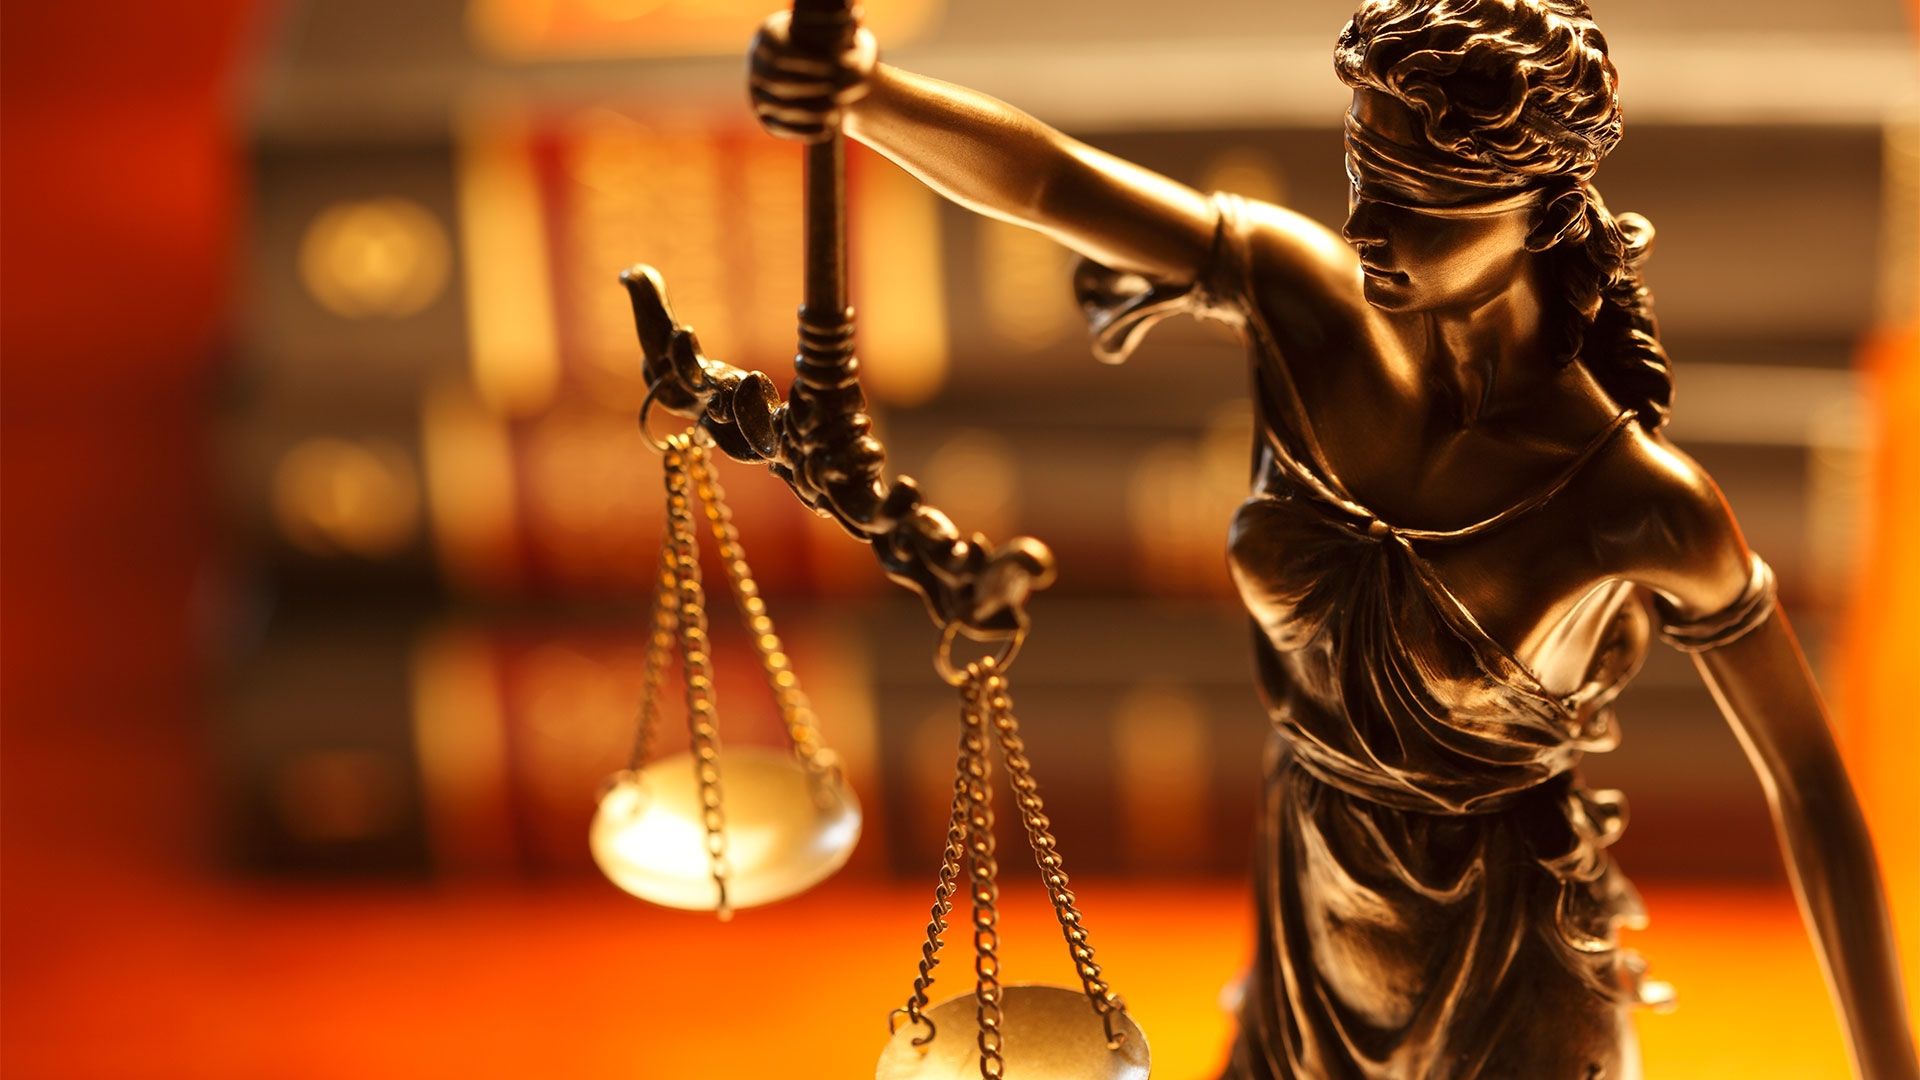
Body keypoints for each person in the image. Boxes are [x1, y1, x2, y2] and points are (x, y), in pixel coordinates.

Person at [750, 1, 1920, 1076]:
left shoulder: (1637, 502)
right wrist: (863, 96)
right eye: (1363, 170)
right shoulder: (1301, 299)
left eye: (1414, 199)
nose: (1365, 224)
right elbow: (1057, 185)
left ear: (1540, 214)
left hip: (1506, 963)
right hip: (1308, 906)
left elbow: (1811, 783)